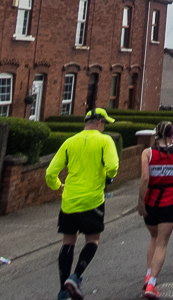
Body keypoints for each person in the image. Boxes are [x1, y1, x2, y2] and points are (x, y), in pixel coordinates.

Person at [45, 108, 120, 300]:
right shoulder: (105, 141)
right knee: (92, 240)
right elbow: (112, 167)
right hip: (92, 201)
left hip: (69, 200)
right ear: (98, 122)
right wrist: (108, 178)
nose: (104, 128)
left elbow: (50, 173)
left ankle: (63, 289)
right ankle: (76, 276)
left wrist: (58, 186)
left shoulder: (70, 142)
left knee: (68, 242)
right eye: (104, 124)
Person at [137, 121, 173, 298]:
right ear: (172, 135)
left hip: (151, 201)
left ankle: (148, 275)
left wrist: (140, 202)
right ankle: (152, 284)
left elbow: (145, 178)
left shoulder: (147, 153)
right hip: (170, 201)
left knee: (153, 237)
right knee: (162, 242)